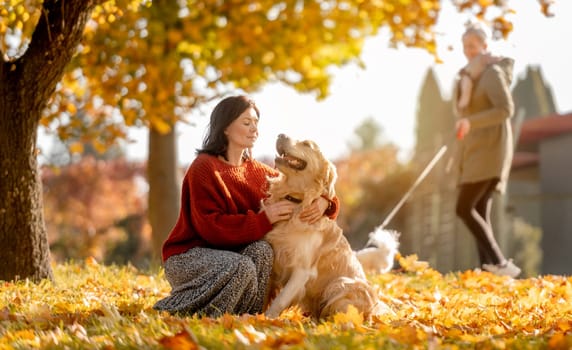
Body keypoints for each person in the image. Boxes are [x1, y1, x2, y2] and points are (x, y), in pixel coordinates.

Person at [153, 95, 339, 317]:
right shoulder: (203, 168)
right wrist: (264, 219)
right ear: (225, 128)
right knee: (242, 266)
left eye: (256, 123)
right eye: (246, 122)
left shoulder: (259, 172)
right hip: (189, 256)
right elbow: (211, 228)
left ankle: (247, 317)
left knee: (262, 251)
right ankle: (173, 308)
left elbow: (304, 184)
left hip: (232, 259)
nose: (254, 129)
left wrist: (326, 202)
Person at [453, 24, 521, 278]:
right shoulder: (469, 77)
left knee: (463, 207)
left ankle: (500, 263)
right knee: (479, 209)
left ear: (484, 46)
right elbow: (463, 112)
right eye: (465, 47)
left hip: (491, 148)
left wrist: (472, 122)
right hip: (474, 150)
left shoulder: (492, 73)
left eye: (472, 46)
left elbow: (505, 110)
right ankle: (488, 272)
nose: (468, 51)